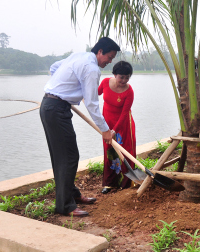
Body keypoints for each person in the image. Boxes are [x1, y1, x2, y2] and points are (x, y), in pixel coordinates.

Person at [40, 37, 120, 217]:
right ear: (100, 52)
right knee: (68, 157)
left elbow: (54, 68)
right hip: (56, 109)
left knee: (64, 155)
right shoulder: (91, 69)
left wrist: (64, 90)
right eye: (109, 56)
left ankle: (73, 195)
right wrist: (105, 130)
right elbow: (92, 104)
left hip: (52, 106)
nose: (110, 61)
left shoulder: (79, 56)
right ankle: (65, 206)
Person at [98, 61, 136, 193]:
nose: (124, 80)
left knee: (125, 152)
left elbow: (125, 114)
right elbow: (95, 93)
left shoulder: (129, 92)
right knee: (109, 151)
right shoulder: (105, 83)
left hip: (123, 125)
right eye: (121, 77)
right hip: (106, 123)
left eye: (127, 77)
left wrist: (114, 130)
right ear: (114, 74)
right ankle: (110, 184)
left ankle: (127, 184)